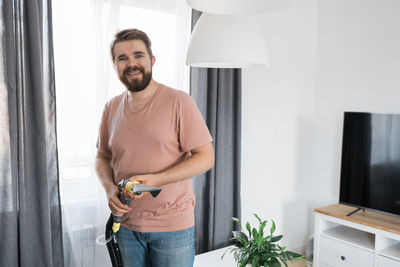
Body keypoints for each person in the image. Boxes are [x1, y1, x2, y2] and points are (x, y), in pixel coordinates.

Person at [95, 28, 214, 267]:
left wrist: (158, 179)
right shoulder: (111, 108)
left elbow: (205, 157)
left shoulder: (179, 101)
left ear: (152, 59)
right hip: (126, 225)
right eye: (122, 58)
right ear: (115, 66)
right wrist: (110, 190)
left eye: (138, 55)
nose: (132, 63)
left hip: (172, 227)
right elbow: (101, 157)